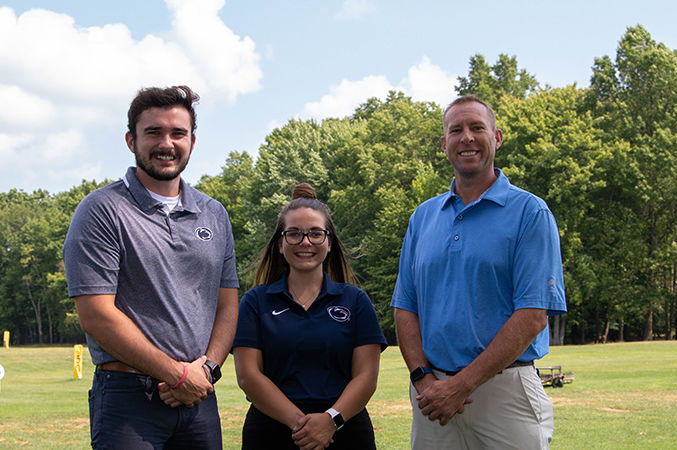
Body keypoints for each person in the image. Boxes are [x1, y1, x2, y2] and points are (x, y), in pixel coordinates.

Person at [63, 85, 239, 449]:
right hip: (130, 399)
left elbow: (227, 304)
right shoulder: (102, 210)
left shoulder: (214, 213)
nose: (167, 143)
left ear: (192, 140)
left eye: (178, 133)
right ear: (131, 140)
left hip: (198, 397)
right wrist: (176, 375)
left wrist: (205, 371)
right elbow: (96, 316)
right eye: (153, 132)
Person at [390, 94, 567, 449]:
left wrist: (463, 384)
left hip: (505, 391)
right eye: (456, 130)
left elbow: (533, 315)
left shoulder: (530, 213)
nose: (466, 137)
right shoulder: (423, 218)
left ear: (496, 137)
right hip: (433, 397)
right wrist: (423, 379)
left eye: (476, 128)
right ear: (444, 144)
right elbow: (405, 306)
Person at [233, 183, 387, 450]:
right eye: (294, 234)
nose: (305, 242)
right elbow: (248, 376)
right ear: (280, 244)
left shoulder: (356, 301)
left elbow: (366, 376)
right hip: (271, 432)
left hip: (345, 431)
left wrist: (330, 421)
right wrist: (303, 426)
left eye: (316, 234)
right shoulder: (255, 301)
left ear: (329, 243)